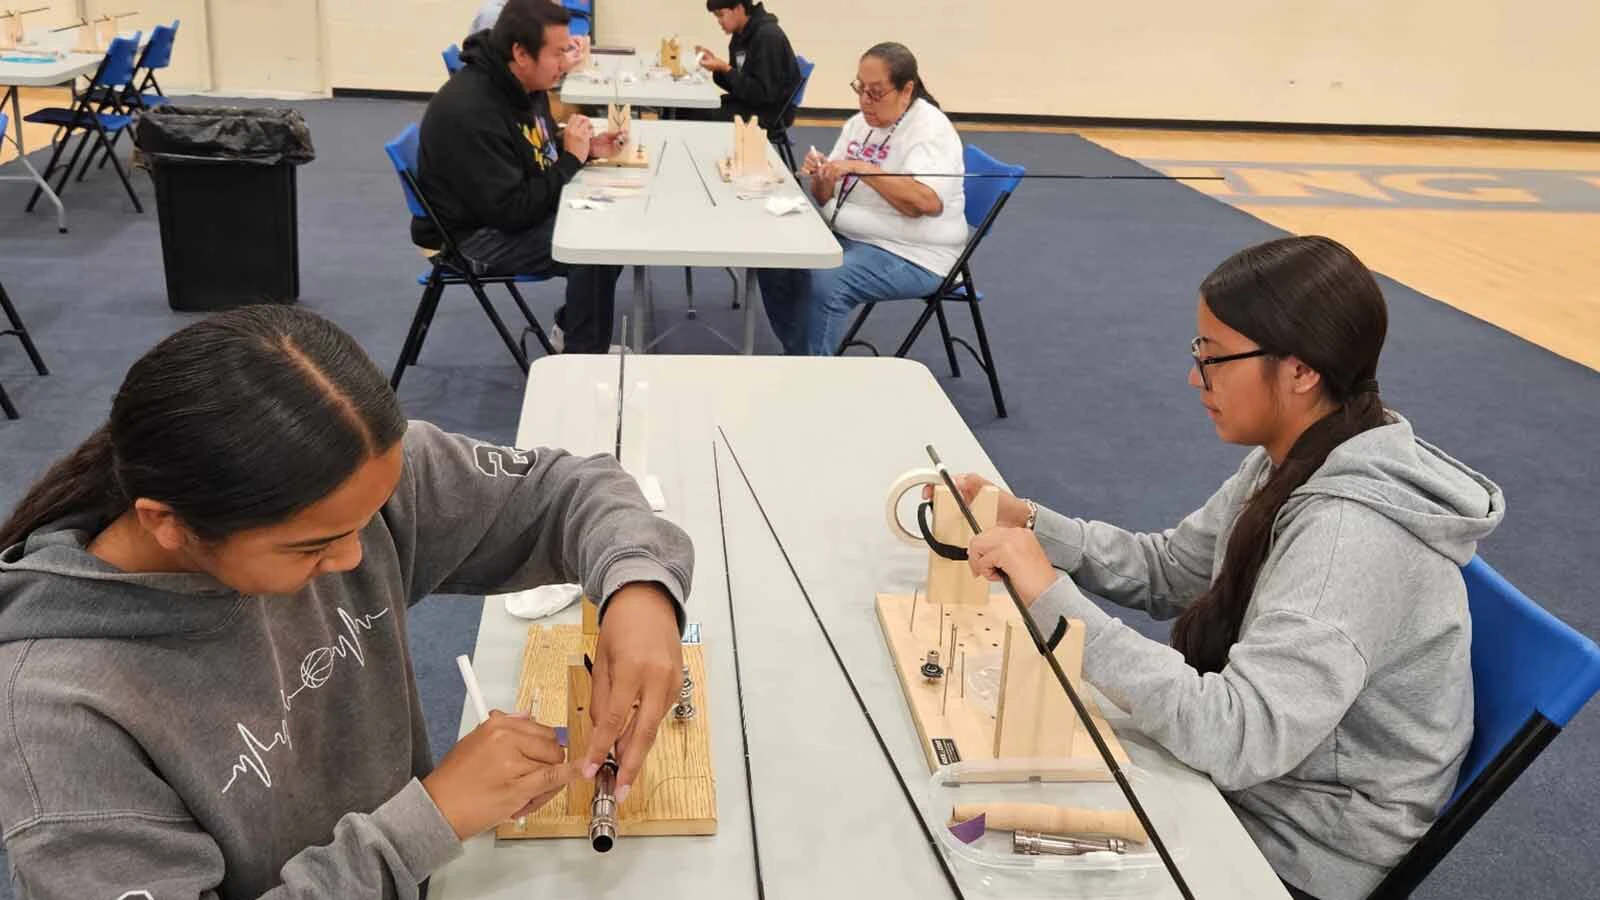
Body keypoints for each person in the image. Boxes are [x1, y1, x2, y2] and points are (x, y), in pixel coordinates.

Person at [0, 306, 693, 897]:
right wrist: (425, 823)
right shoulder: (59, 717)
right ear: (166, 523)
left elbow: (568, 490)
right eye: (313, 547)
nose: (357, 559)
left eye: (366, 522)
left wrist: (638, 590)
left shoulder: (349, 485)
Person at [942, 236, 1503, 900]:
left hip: (1299, 843)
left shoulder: (1347, 540)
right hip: (1260, 777)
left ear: (1300, 371)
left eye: (1213, 357)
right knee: (994, 784)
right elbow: (1172, 568)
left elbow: (1236, 737)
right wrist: (1033, 524)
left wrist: (1053, 603)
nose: (1195, 377)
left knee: (987, 851)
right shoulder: (1302, 454)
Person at [414, 0, 626, 354]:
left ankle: (573, 332)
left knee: (608, 229)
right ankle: (583, 360)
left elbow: (534, 148)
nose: (566, 63)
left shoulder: (524, 84)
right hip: (474, 236)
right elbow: (513, 212)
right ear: (521, 53)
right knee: (596, 246)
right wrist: (570, 160)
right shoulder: (471, 111)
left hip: (503, 207)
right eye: (558, 53)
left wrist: (586, 149)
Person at [757, 42, 966, 356]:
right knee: (774, 255)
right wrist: (824, 178)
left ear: (907, 90)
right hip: (849, 235)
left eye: (876, 92)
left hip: (912, 252)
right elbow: (823, 197)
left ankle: (809, 370)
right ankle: (798, 354)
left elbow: (924, 203)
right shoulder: (859, 124)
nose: (865, 100)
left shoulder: (930, 129)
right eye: (860, 88)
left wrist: (862, 168)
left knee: (828, 281)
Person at [693, 0, 801, 136]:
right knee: (695, 110)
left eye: (721, 15)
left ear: (738, 8)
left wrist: (726, 69)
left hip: (770, 111)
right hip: (750, 101)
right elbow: (738, 85)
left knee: (701, 115)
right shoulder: (740, 34)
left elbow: (761, 94)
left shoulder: (768, 36)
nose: (719, 21)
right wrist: (718, 68)